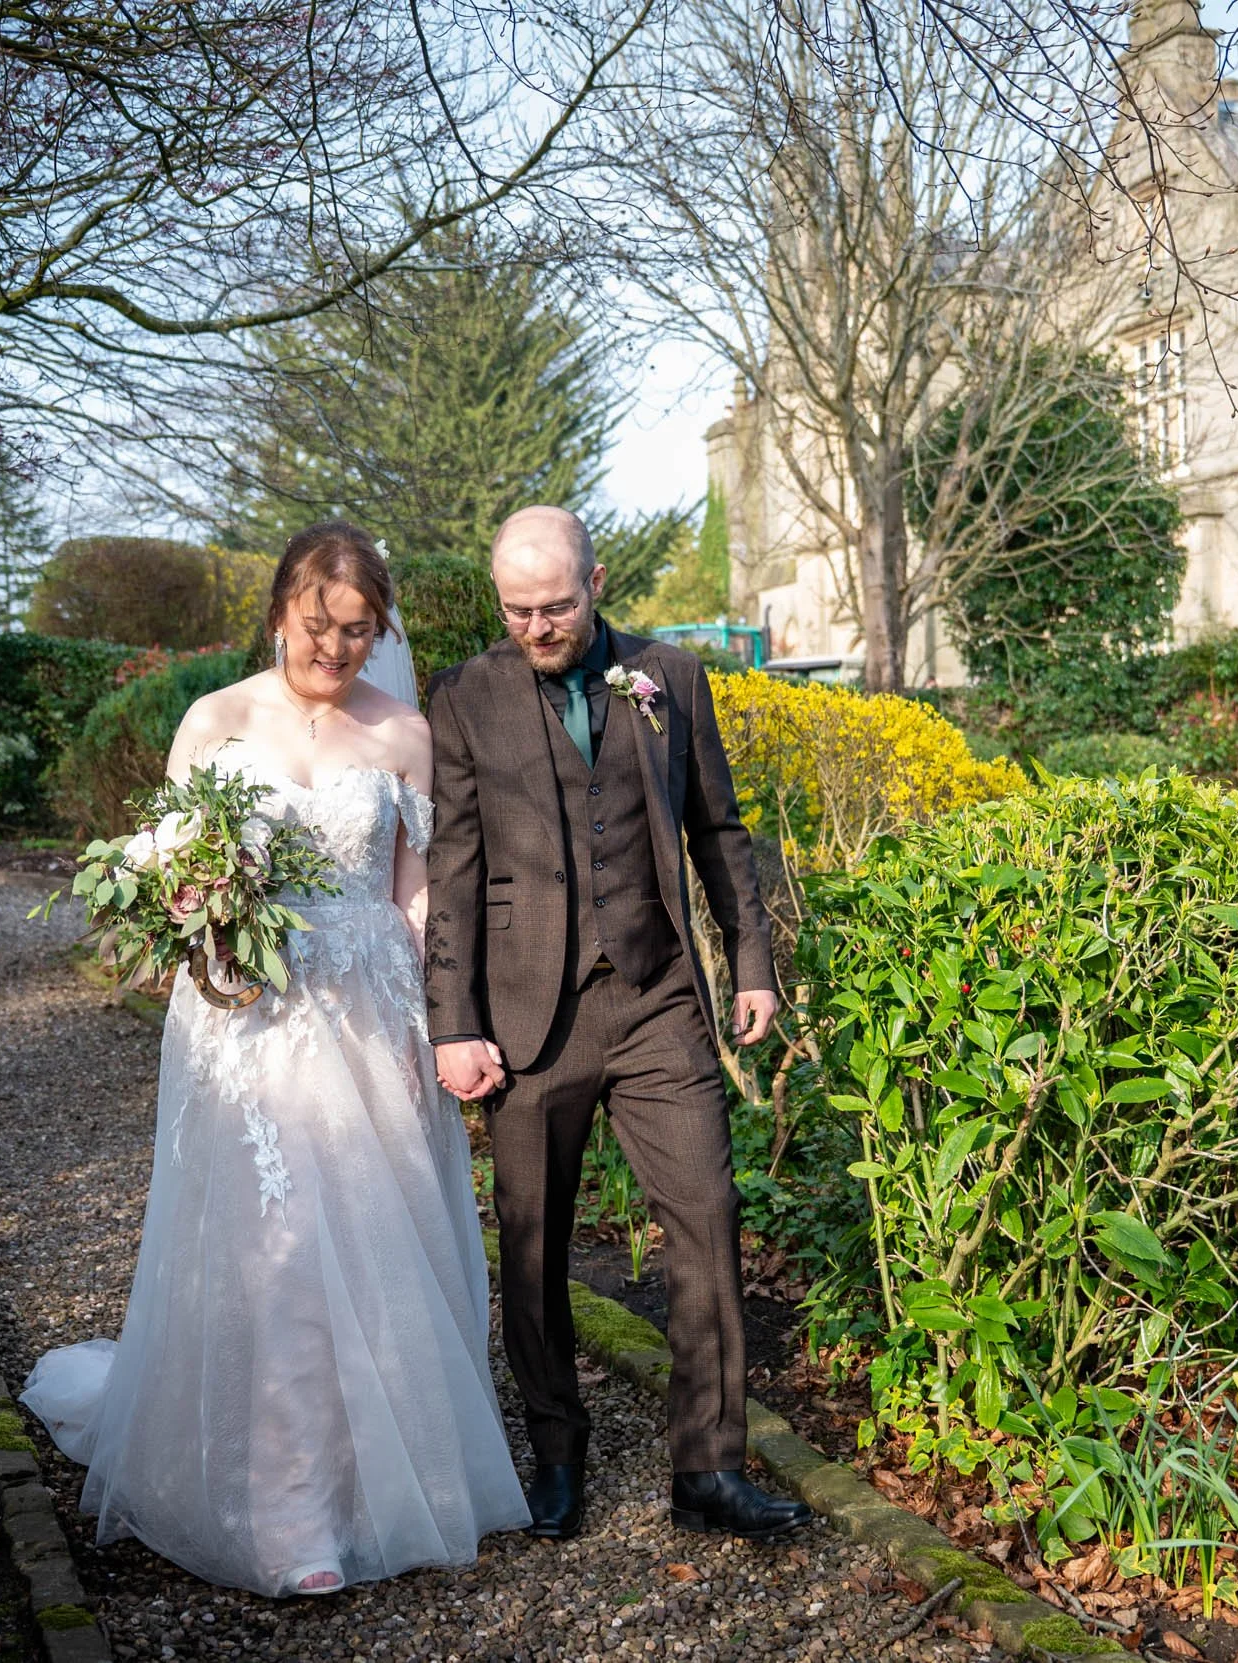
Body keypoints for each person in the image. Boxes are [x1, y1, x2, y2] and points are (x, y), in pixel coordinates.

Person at [19, 521, 528, 1596]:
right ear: (280, 608)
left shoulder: (401, 733)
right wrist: (193, 922)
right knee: (282, 1254)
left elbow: (415, 888)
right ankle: (290, 1513)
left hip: (370, 1013)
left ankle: (378, 1484)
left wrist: (447, 1018)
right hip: (247, 1019)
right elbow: (166, 870)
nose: (336, 651)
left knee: (379, 1251)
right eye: (318, 626)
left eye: (357, 632)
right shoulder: (215, 721)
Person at [424, 505, 814, 1543]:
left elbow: (718, 828)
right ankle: (556, 1451)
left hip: (654, 999)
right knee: (533, 1240)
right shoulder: (463, 697)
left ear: (596, 582)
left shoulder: (670, 677)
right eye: (517, 610)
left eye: (555, 605)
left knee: (708, 1212)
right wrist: (450, 1021)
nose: (538, 626)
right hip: (524, 1014)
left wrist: (754, 958)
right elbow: (452, 872)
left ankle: (709, 1469)